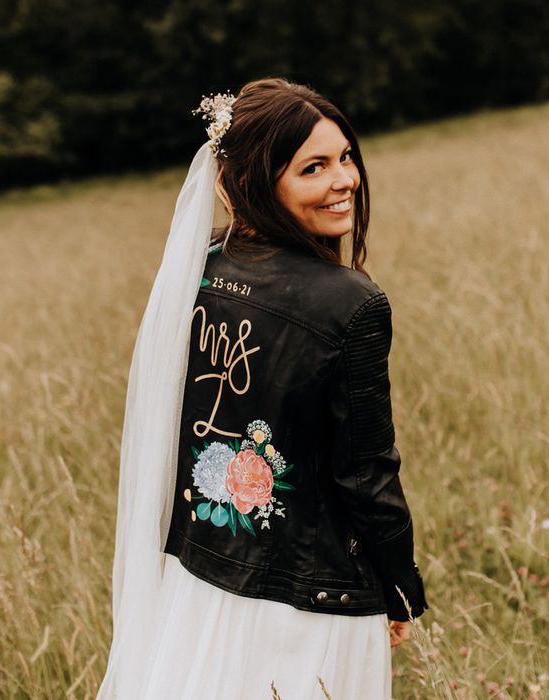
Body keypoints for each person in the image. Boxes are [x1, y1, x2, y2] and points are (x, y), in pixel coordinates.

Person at [96, 77, 428, 700]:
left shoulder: (203, 264)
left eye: (345, 157)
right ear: (256, 182)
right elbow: (366, 470)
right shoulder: (351, 303)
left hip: (200, 583)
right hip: (310, 603)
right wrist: (401, 586)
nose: (345, 180)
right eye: (313, 168)